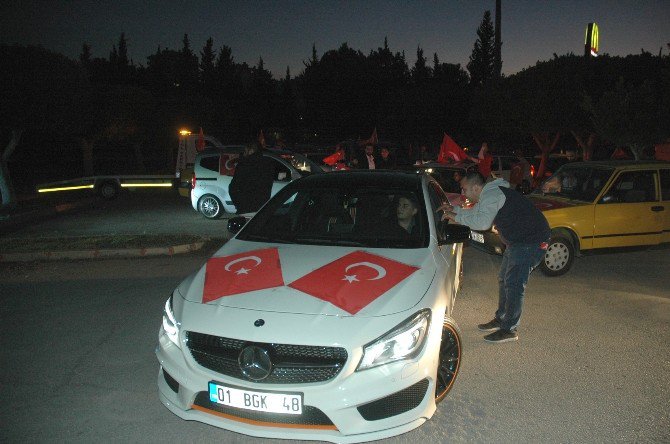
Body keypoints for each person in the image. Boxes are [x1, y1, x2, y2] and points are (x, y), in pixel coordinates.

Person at [439, 172, 550, 343]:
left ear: (476, 187)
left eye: (465, 189)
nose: (463, 193)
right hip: (519, 241)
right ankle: (502, 319)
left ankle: (509, 329)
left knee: (513, 284)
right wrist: (454, 210)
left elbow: (482, 223)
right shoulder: (489, 194)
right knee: (505, 280)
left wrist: (456, 217)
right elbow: (476, 213)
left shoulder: (491, 194)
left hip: (531, 242)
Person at [228, 142, 275, 214]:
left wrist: (238, 205)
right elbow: (268, 186)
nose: (244, 153)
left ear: (251, 151)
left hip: (245, 208)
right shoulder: (267, 164)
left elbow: (233, 188)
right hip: (261, 208)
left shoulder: (244, 165)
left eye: (245, 151)